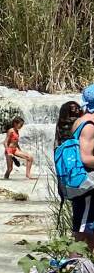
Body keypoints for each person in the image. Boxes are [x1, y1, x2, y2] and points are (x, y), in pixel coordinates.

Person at [56, 93, 94, 252]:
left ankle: (81, 272)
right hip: (87, 186)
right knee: (81, 233)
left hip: (82, 184)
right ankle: (73, 270)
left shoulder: (81, 122)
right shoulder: (89, 125)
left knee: (86, 231)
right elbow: (85, 158)